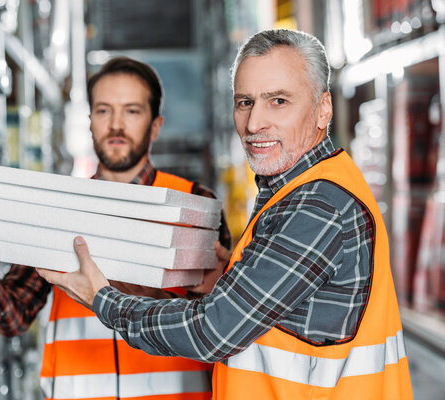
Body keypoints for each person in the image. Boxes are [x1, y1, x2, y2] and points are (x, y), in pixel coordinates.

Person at [39, 29, 414, 400]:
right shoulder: (297, 191)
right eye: (245, 102)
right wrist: (228, 280)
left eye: (278, 101)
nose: (253, 124)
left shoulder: (318, 206)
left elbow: (212, 331)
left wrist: (102, 299)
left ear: (323, 109)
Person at [0, 56, 231, 400]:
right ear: (90, 122)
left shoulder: (194, 206)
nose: (116, 124)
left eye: (132, 111)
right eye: (104, 111)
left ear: (155, 125)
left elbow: (223, 321)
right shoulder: (60, 210)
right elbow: (13, 317)